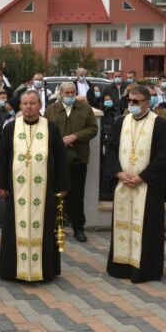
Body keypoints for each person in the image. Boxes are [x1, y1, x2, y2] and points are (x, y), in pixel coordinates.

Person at [0, 90, 70, 282]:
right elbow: (2, 157)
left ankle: (44, 269)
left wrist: (62, 185)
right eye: (25, 103)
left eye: (32, 103)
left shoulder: (51, 128)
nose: (28, 107)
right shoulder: (11, 127)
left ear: (39, 105)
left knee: (44, 226)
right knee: (14, 227)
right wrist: (1, 184)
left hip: (44, 190)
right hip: (16, 189)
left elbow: (60, 158)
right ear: (20, 106)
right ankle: (13, 269)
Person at [105, 85, 166, 283]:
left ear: (147, 102)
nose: (131, 105)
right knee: (123, 224)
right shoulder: (121, 122)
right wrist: (118, 173)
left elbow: (162, 157)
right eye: (129, 101)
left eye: (136, 101)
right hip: (124, 184)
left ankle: (145, 270)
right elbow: (110, 151)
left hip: (147, 186)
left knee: (147, 229)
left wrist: (143, 177)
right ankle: (121, 267)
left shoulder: (159, 124)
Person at [44, 82, 99, 242]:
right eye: (67, 93)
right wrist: (59, 141)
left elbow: (93, 129)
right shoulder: (51, 110)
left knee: (76, 193)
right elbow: (45, 130)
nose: (70, 96)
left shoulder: (85, 109)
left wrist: (75, 136)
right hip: (56, 158)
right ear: (60, 93)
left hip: (78, 157)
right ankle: (56, 226)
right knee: (56, 193)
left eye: (72, 92)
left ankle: (78, 227)